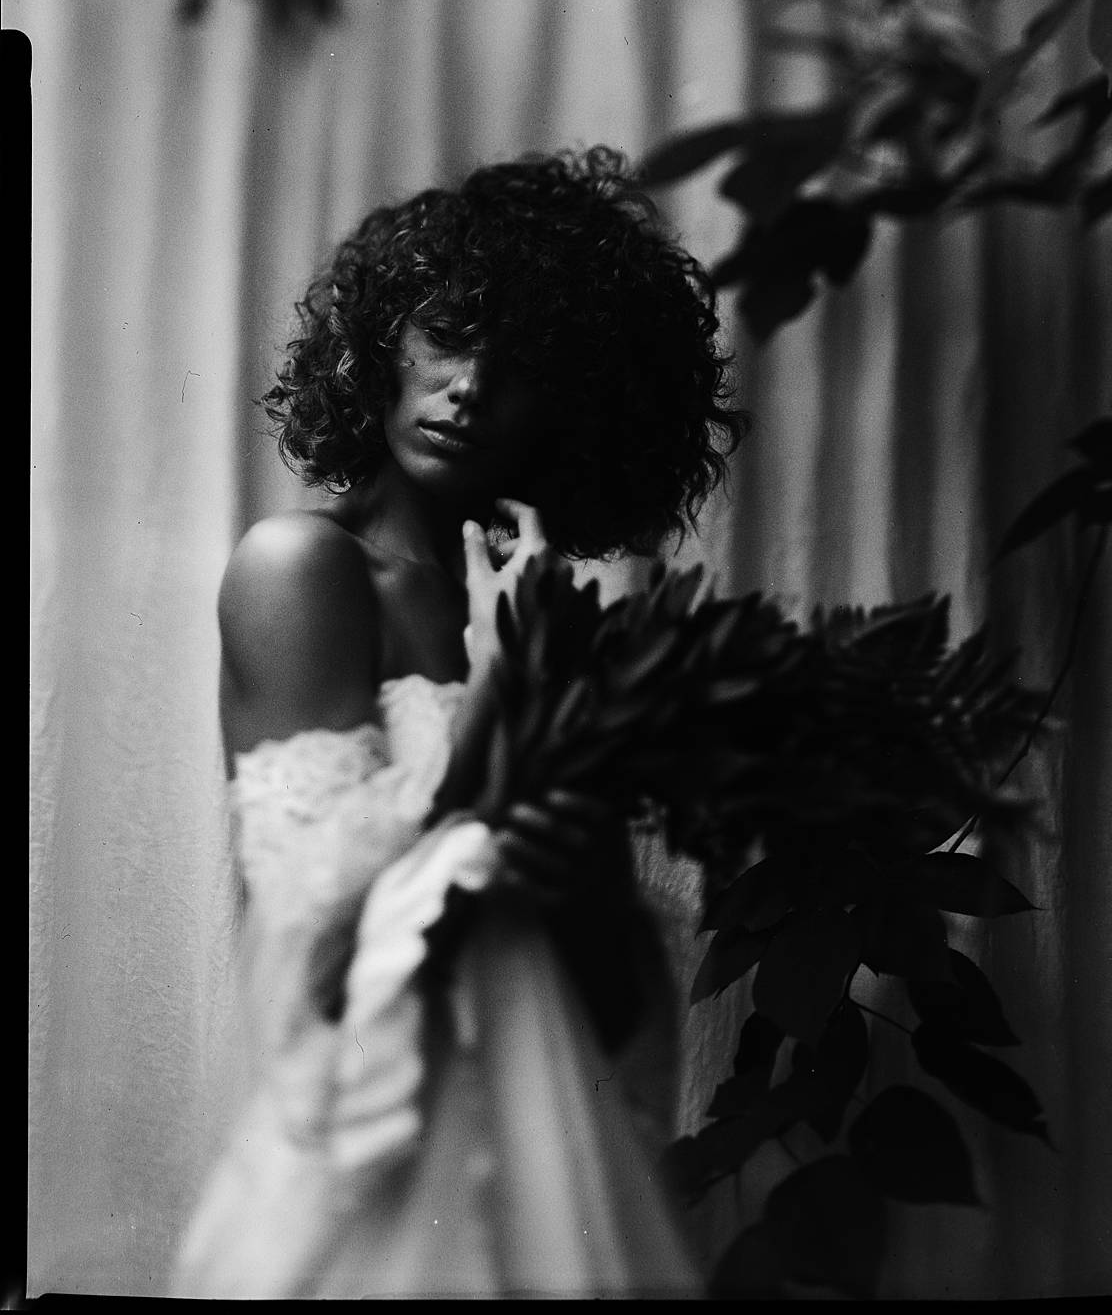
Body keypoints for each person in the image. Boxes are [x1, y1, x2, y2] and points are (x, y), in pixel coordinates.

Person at [171, 145, 747, 1299]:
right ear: (386, 338)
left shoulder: (546, 616)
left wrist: (574, 874)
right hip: (376, 1164)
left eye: (521, 363)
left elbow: (613, 995)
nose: (469, 383)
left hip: (549, 1143)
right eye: (448, 331)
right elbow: (320, 950)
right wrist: (496, 729)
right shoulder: (304, 572)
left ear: (580, 406)